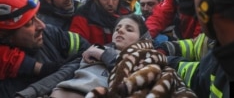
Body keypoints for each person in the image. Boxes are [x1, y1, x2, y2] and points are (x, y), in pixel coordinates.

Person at [51, 14, 196, 98]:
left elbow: (134, 80)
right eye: (117, 28)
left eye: (129, 29)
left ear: (142, 39)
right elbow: (62, 74)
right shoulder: (94, 50)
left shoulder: (149, 58)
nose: (120, 31)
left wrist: (106, 56)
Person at [0, 0, 90, 98]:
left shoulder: (49, 33)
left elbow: (87, 48)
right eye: (29, 23)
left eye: (36, 16)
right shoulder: (6, 88)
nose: (42, 25)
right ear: (5, 35)